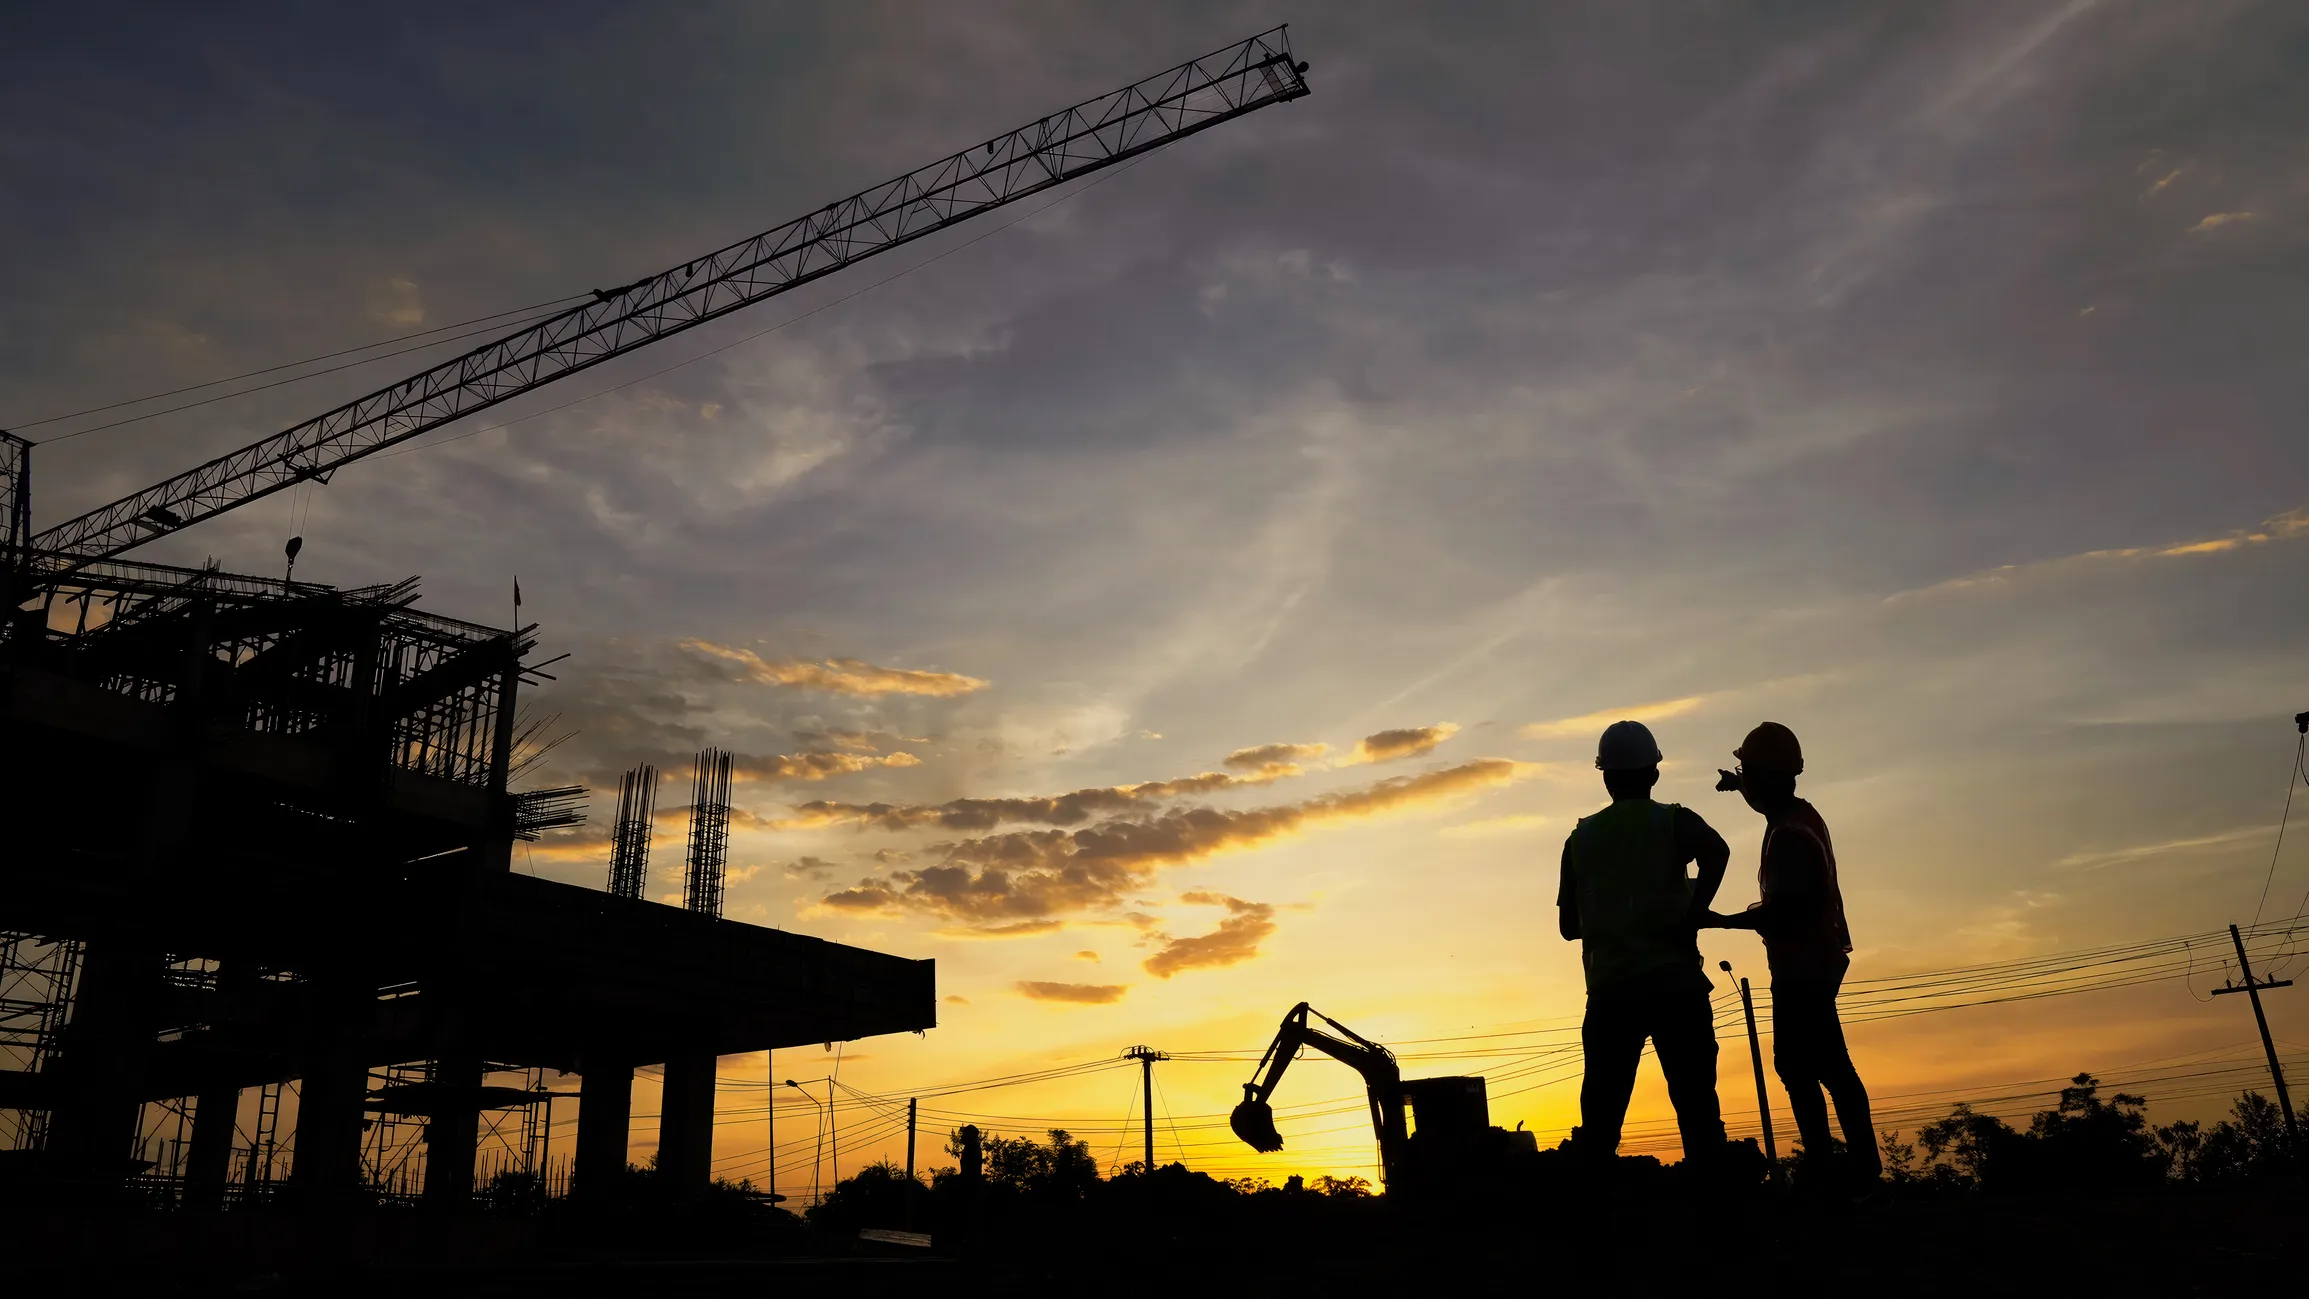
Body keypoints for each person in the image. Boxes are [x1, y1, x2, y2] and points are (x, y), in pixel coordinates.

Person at [1705, 721, 1880, 1188]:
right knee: (1814, 1065)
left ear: (1766, 778)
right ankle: (1846, 1171)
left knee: (1812, 1067)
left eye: (1748, 774)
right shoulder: (1799, 816)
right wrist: (1736, 782)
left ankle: (1842, 1173)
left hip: (1804, 966)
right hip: (1813, 961)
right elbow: (1764, 793)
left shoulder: (1787, 839)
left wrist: (1718, 920)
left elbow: (1782, 914)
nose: (1746, 785)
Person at [1558, 719, 1731, 1170]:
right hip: (1676, 986)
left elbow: (1568, 926)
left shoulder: (1580, 839)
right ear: (1654, 773)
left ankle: (1596, 1228)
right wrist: (1694, 910)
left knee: (1601, 1119)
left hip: (1612, 995)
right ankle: (1723, 1225)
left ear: (1605, 776)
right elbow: (1718, 851)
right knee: (1697, 1111)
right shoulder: (1674, 820)